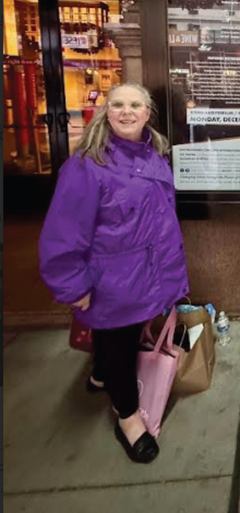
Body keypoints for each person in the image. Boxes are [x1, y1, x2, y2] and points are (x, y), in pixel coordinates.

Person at [39, 83, 189, 464]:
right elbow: (63, 232)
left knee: (119, 335)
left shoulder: (156, 152)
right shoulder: (87, 165)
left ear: (147, 112)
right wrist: (74, 286)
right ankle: (128, 418)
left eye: (135, 104)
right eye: (118, 104)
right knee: (121, 343)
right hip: (112, 280)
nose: (127, 111)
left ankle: (100, 376)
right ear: (106, 111)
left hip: (146, 272)